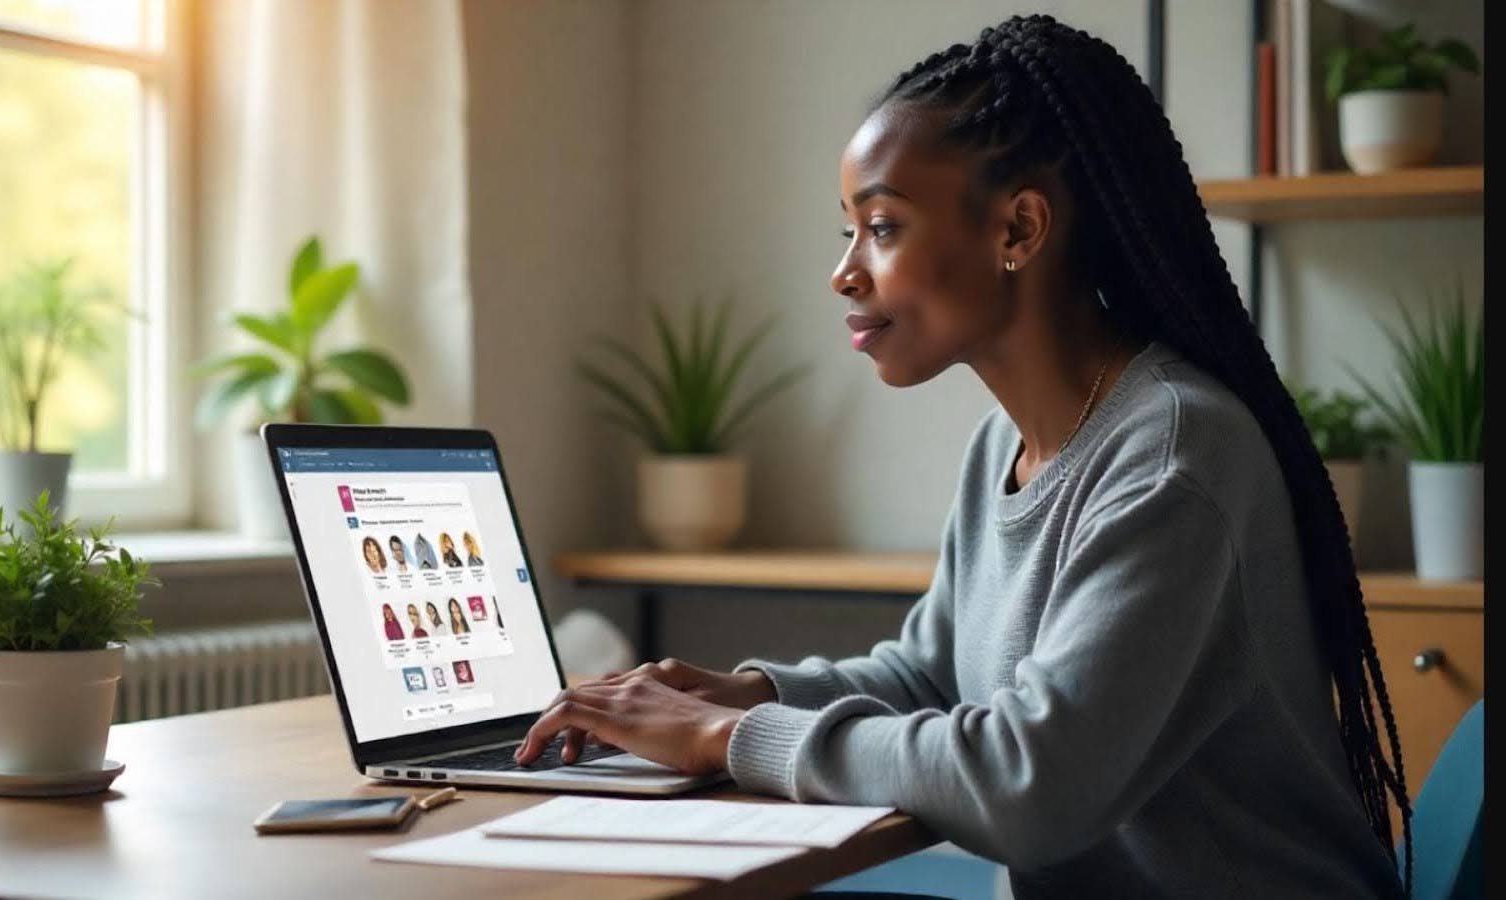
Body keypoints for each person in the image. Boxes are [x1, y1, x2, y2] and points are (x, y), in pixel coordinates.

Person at [512, 16, 1407, 899]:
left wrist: (721, 739)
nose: (845, 273)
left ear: (1018, 230)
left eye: (884, 227)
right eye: (848, 231)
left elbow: (1029, 786)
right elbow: (930, 673)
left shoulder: (1173, 455)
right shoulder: (1003, 448)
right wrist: (740, 693)